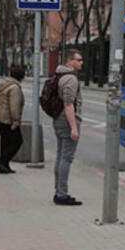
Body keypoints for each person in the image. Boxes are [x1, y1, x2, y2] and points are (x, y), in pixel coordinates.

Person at [53, 49, 84, 206]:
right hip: (67, 121)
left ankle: (58, 191)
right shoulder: (71, 79)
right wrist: (74, 127)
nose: (81, 63)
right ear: (69, 61)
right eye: (79, 60)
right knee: (66, 158)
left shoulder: (58, 74)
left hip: (58, 120)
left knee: (60, 156)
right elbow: (69, 105)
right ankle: (62, 194)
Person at [0, 64, 26, 174]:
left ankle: (4, 167)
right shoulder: (15, 88)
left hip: (0, 117)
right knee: (17, 141)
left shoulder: (5, 85)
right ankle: (2, 161)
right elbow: (14, 106)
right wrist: (16, 121)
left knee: (5, 142)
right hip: (8, 119)